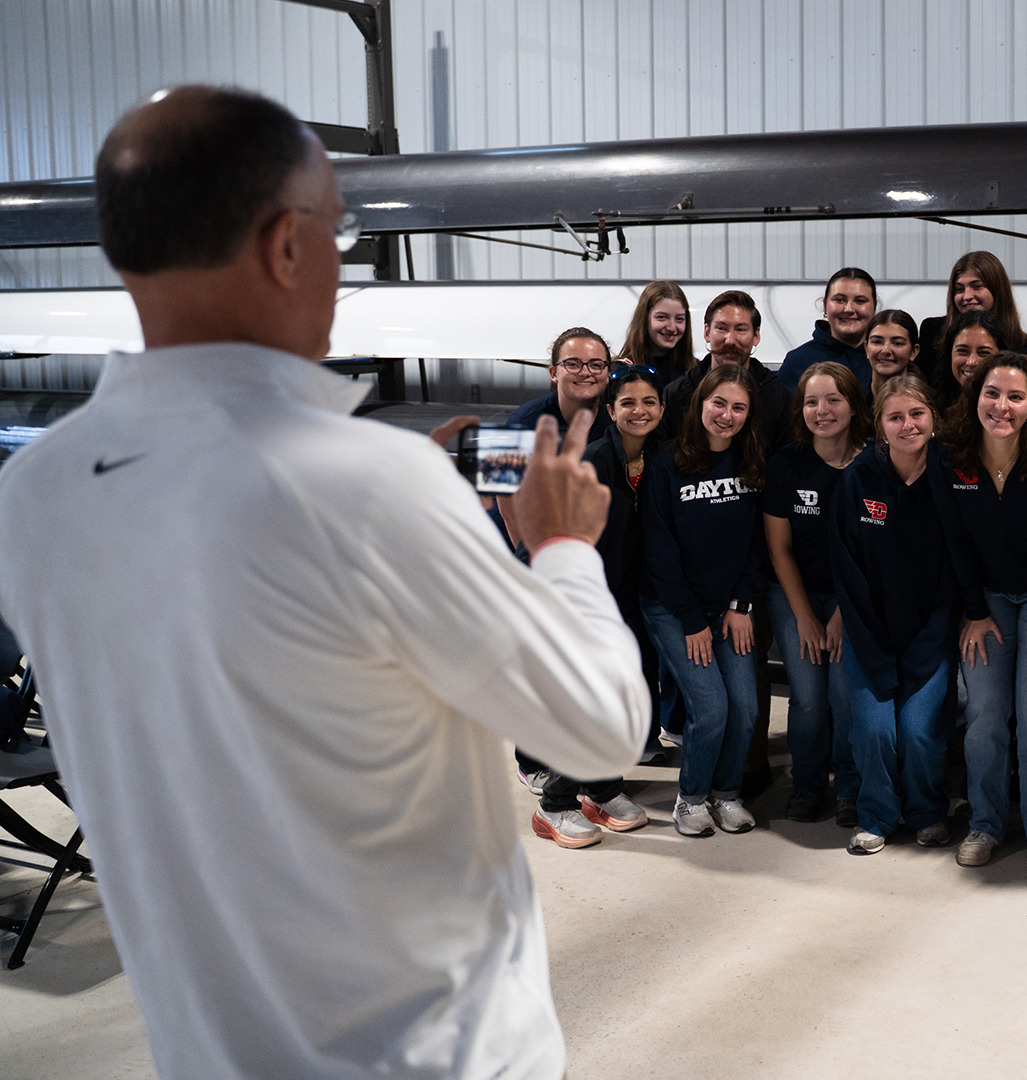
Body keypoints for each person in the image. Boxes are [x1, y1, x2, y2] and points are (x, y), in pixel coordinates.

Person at [0, 86, 649, 1079]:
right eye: (339, 235)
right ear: (285, 245)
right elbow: (601, 728)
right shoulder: (364, 485)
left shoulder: (34, 491)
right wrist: (563, 546)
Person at [522, 367, 672, 849]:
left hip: (623, 595)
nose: (639, 411)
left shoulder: (658, 458)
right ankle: (554, 806)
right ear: (610, 410)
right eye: (628, 402)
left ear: (662, 408)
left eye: (649, 402)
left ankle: (601, 790)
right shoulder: (593, 462)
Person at [937, 352, 1027, 870]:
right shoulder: (950, 455)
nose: (1001, 406)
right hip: (986, 599)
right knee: (985, 714)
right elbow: (954, 540)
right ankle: (985, 823)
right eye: (992, 393)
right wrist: (974, 610)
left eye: (1016, 397)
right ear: (975, 397)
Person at [831, 372, 962, 854]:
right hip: (869, 637)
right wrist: (874, 648)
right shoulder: (857, 479)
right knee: (873, 731)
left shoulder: (952, 475)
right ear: (879, 425)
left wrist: (930, 643)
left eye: (917, 414)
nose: (908, 425)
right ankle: (877, 815)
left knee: (919, 732)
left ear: (934, 417)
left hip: (931, 636)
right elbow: (848, 572)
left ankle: (927, 812)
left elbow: (957, 568)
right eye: (895, 417)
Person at [643, 364, 768, 838]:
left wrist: (741, 604)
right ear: (700, 404)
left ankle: (726, 793)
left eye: (738, 407)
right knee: (712, 709)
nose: (727, 415)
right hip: (675, 610)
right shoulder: (666, 466)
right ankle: (691, 799)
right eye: (719, 403)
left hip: (729, 607)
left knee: (746, 709)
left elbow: (755, 545)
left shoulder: (750, 463)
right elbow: (660, 551)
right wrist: (693, 620)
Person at [765, 361, 871, 824]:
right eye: (811, 401)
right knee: (808, 695)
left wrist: (842, 614)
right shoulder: (786, 464)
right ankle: (807, 783)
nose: (822, 410)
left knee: (845, 695)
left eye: (833, 399)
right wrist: (806, 617)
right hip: (797, 594)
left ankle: (849, 786)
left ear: (854, 405)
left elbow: (873, 555)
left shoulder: (872, 465)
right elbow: (780, 549)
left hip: (854, 597)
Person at [661, 290, 792, 454]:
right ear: (707, 332)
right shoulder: (676, 393)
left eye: (741, 329)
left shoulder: (777, 396)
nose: (730, 340)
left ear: (756, 335)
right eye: (721, 328)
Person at [917, 250, 1027, 385]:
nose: (967, 296)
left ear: (997, 290)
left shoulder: (1023, 345)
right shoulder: (932, 331)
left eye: (977, 287)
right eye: (959, 289)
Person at [505, 326, 616, 445]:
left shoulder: (619, 420)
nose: (585, 372)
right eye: (572, 364)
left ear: (608, 373)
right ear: (554, 373)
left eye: (595, 365)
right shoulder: (525, 424)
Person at [778, 267, 877, 391]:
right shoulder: (797, 362)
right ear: (825, 305)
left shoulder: (887, 359)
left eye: (860, 301)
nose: (849, 309)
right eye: (839, 300)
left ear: (874, 307)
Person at [927, 308, 1015, 414]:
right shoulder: (931, 405)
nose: (971, 362)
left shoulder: (1011, 409)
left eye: (983, 353)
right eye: (963, 351)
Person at [614, 279, 696, 381]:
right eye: (661, 317)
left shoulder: (697, 372)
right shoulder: (621, 372)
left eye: (679, 319)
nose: (672, 328)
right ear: (644, 319)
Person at [863, 308, 920, 402]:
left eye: (897, 343)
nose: (886, 350)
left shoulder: (929, 401)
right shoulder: (853, 400)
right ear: (866, 349)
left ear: (914, 351)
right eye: (877, 342)